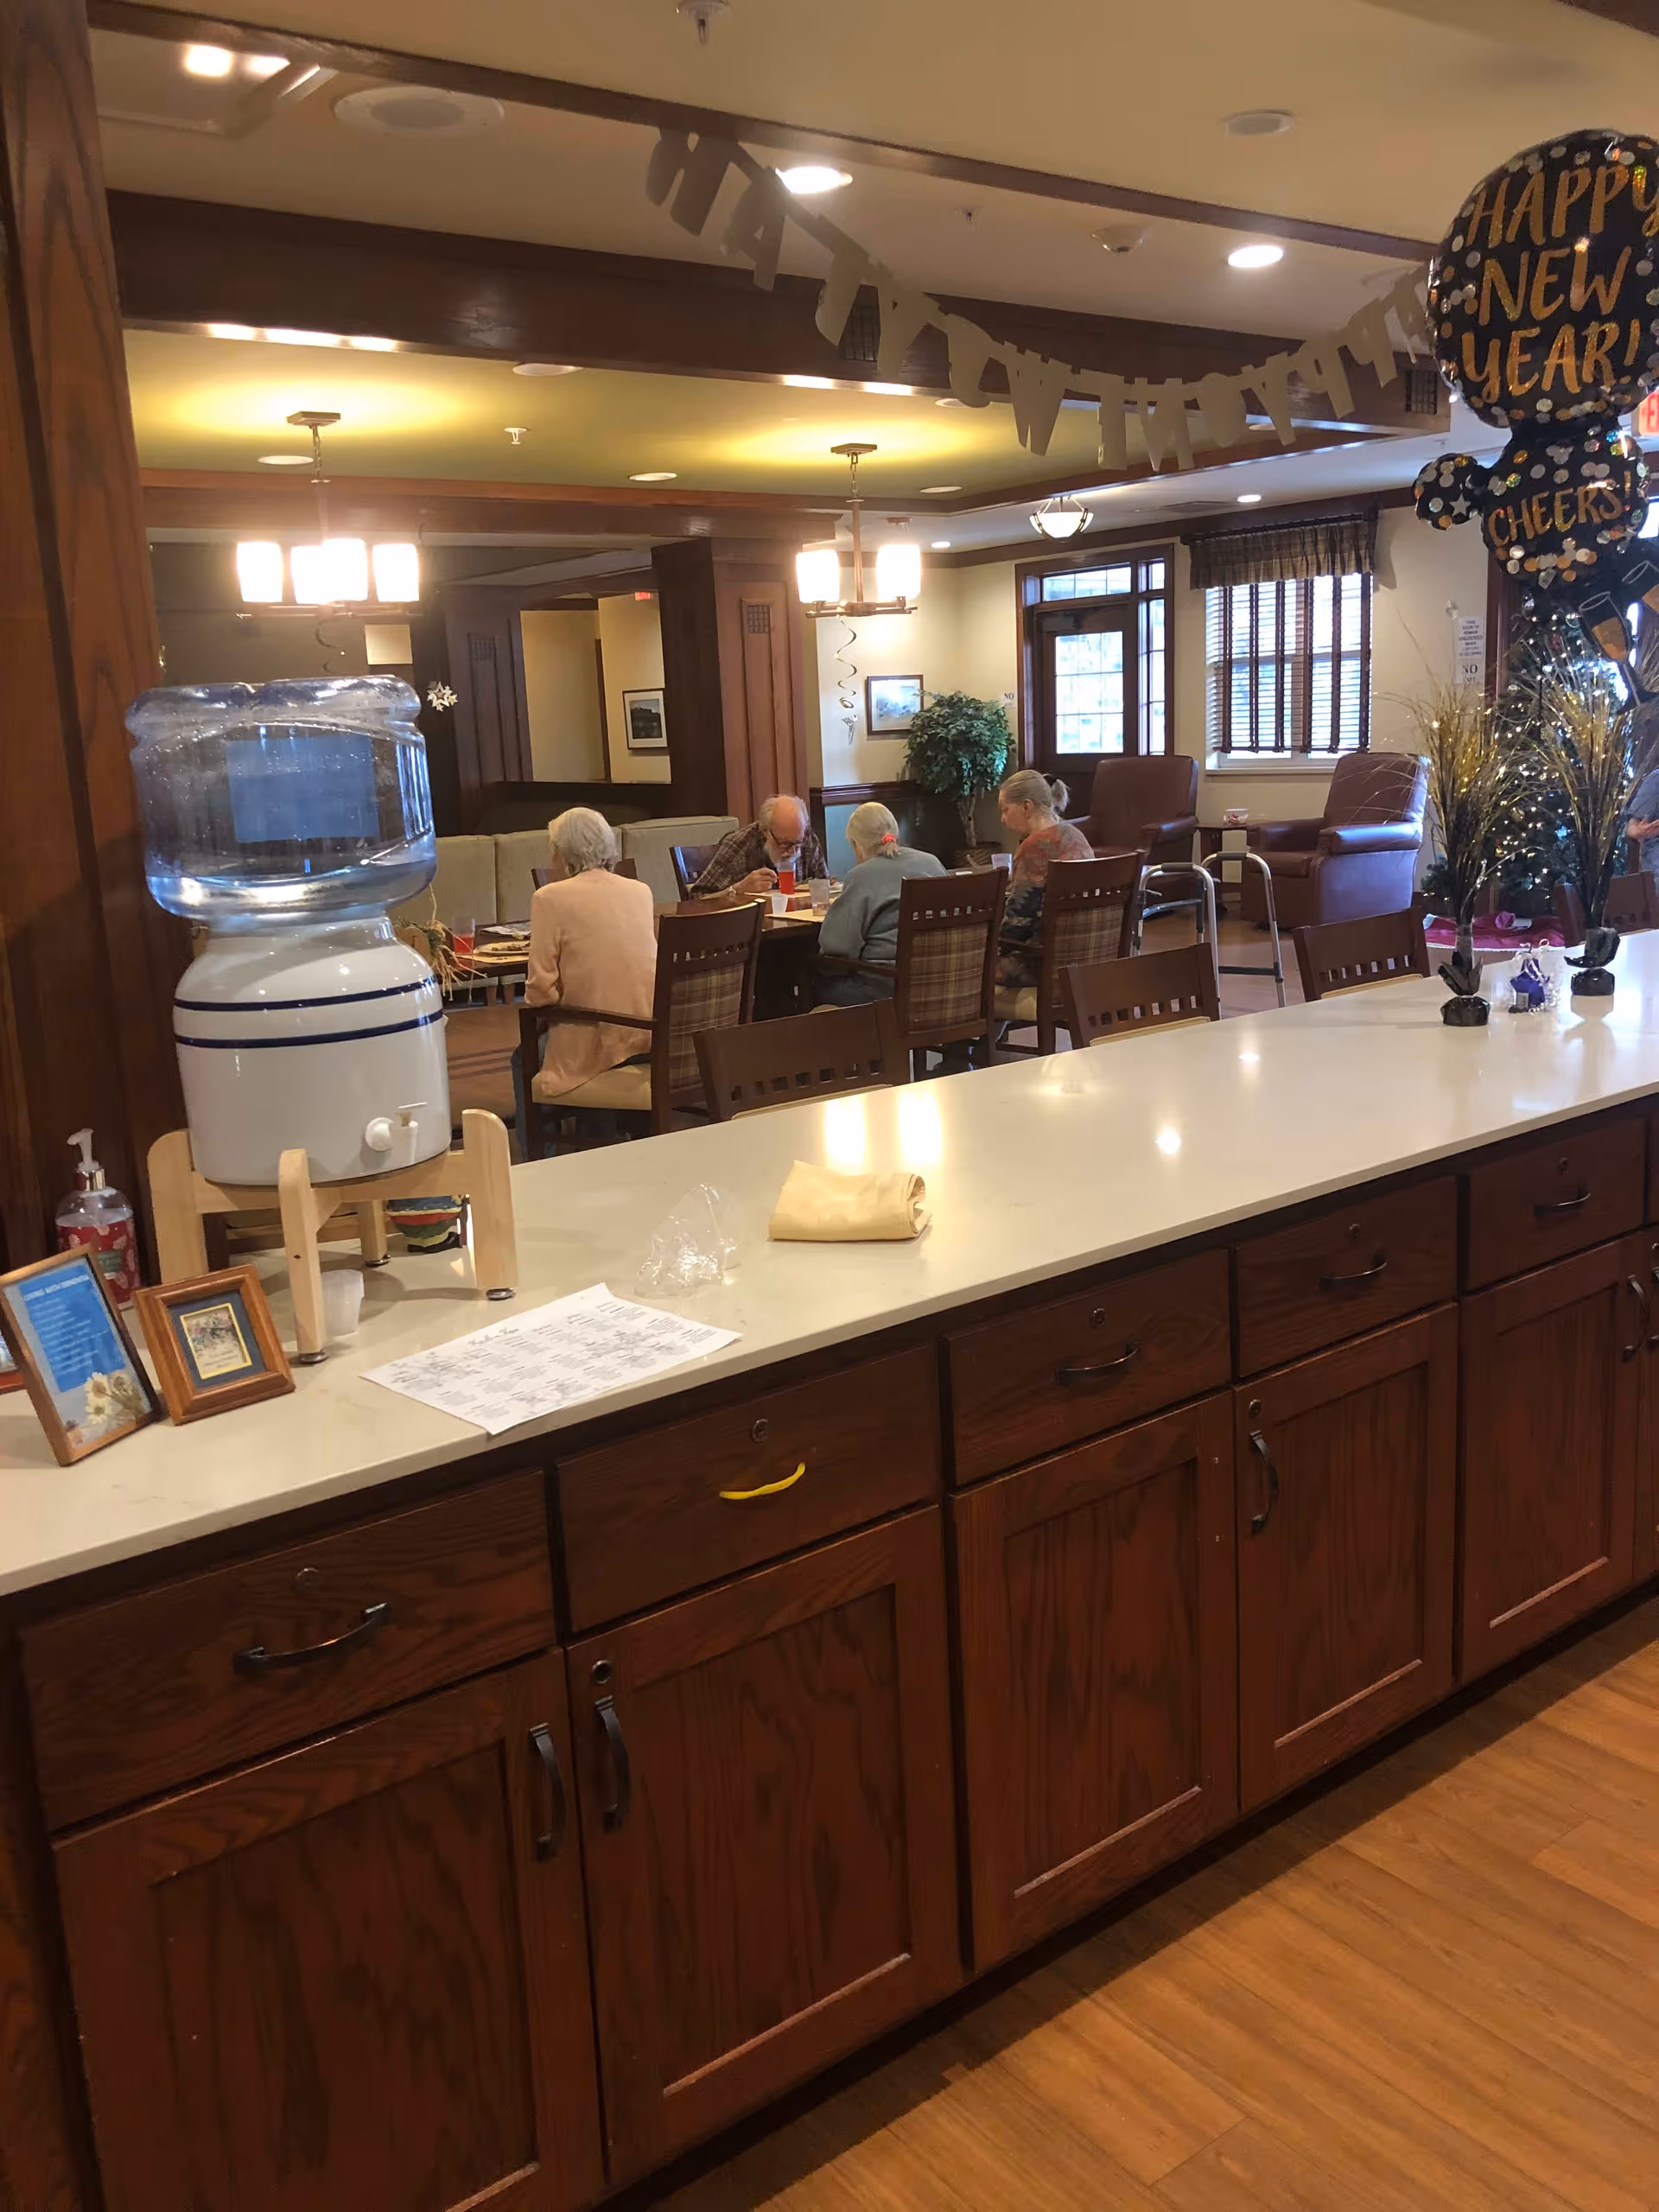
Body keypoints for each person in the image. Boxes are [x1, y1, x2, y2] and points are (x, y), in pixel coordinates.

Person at [523, 807, 657, 1103]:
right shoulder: (640, 891)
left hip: (596, 1038)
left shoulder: (548, 898)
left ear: (561, 852)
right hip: (647, 1034)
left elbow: (539, 994)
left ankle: (541, 1150)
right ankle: (599, 1130)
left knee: (522, 1058)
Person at [815, 802, 944, 1004]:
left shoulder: (861, 876)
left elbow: (837, 947)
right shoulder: (932, 863)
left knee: (816, 984)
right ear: (896, 835)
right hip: (940, 983)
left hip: (885, 989)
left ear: (856, 845)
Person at [994, 769, 1095, 990]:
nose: (1002, 819)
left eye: (1005, 810)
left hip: (1043, 963)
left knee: (966, 964)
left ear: (1027, 806)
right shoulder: (1076, 836)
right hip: (1087, 955)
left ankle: (984, 1022)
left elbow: (1018, 924)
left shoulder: (1033, 848)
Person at [690, 793, 829, 899]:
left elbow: (825, 884)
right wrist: (738, 889)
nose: (792, 851)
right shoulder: (739, 844)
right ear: (765, 831)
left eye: (797, 843)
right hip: (749, 931)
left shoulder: (806, 836)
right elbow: (697, 900)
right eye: (785, 844)